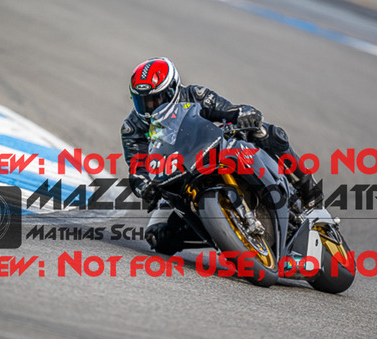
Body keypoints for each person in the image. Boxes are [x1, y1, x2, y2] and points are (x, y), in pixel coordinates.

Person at [121, 57, 322, 254]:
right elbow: (137, 168)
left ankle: (308, 189)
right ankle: (225, 236)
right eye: (142, 101)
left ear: (173, 89)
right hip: (176, 178)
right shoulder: (132, 128)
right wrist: (144, 187)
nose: (149, 107)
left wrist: (243, 114)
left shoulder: (195, 95)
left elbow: (228, 110)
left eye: (155, 99)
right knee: (157, 236)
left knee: (266, 132)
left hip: (213, 152)